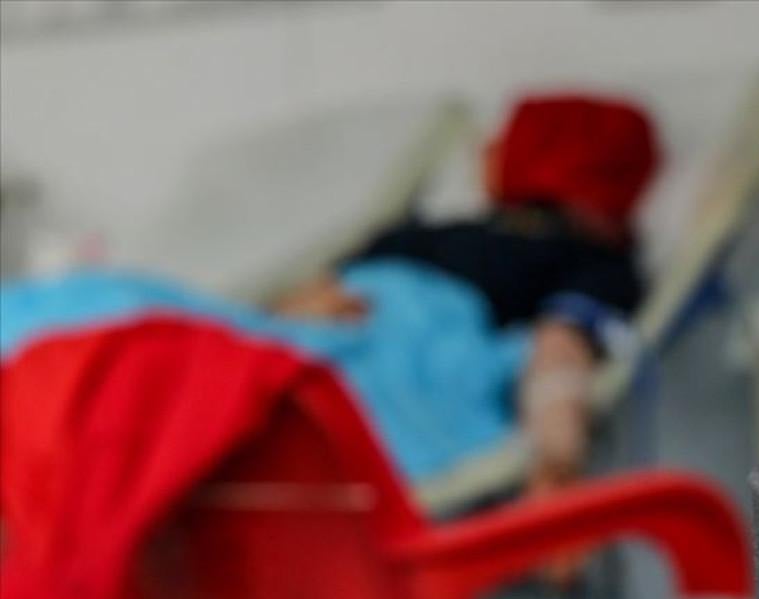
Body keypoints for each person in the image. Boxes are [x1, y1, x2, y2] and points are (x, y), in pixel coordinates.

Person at [273, 93, 661, 497]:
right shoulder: (585, 262)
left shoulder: (586, 261)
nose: (485, 150)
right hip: (332, 342)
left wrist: (556, 467)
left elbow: (560, 355)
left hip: (386, 362)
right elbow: (559, 353)